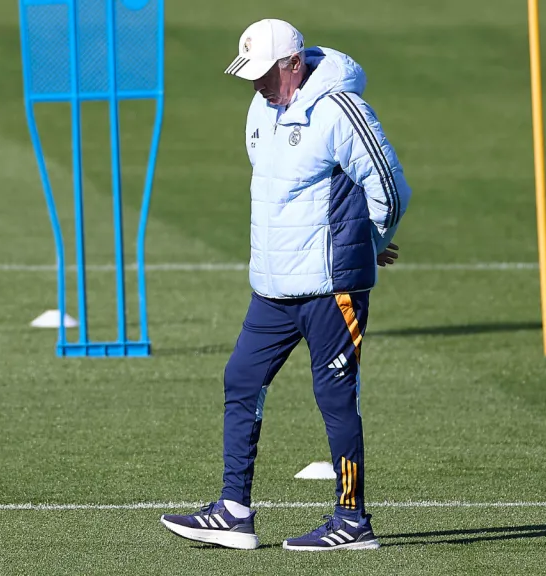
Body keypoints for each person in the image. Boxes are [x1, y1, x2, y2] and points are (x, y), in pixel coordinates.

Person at [160, 18, 411, 552]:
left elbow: (389, 186)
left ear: (293, 64)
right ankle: (233, 511)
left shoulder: (341, 111)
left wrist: (364, 241)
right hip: (271, 290)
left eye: (264, 73)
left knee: (335, 398)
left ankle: (351, 520)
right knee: (241, 379)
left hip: (330, 288)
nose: (255, 83)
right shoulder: (259, 109)